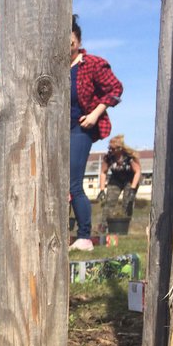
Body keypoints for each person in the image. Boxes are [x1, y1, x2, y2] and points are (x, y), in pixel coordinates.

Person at [68, 15, 122, 252]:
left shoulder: (91, 63)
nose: (68, 47)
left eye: (71, 42)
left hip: (82, 128)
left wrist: (95, 115)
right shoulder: (54, 68)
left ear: (78, 41)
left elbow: (115, 88)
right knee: (57, 183)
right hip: (58, 132)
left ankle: (84, 237)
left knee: (73, 182)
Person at [98, 135, 142, 220]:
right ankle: (104, 226)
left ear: (120, 148)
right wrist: (102, 190)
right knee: (109, 201)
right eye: (110, 148)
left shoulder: (129, 157)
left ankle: (125, 225)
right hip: (116, 178)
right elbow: (103, 172)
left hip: (131, 179)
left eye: (113, 149)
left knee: (127, 202)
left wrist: (132, 189)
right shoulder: (108, 157)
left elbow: (137, 172)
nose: (111, 151)